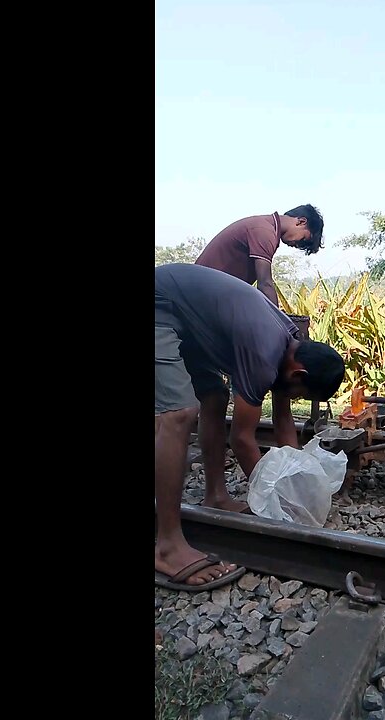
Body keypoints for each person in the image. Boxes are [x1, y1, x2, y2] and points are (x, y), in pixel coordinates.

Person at [155, 263, 345, 591]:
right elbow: (241, 439)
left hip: (186, 320)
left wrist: (296, 481)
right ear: (298, 374)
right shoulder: (264, 353)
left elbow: (283, 422)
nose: (294, 396)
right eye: (301, 393)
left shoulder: (288, 345)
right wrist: (270, 499)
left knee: (213, 397)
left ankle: (216, 496)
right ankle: (167, 545)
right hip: (160, 305)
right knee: (179, 414)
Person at [194, 205, 324, 307]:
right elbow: (265, 284)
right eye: (303, 240)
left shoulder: (266, 227)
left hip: (212, 293)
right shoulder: (265, 232)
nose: (297, 245)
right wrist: (280, 324)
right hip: (201, 293)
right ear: (301, 222)